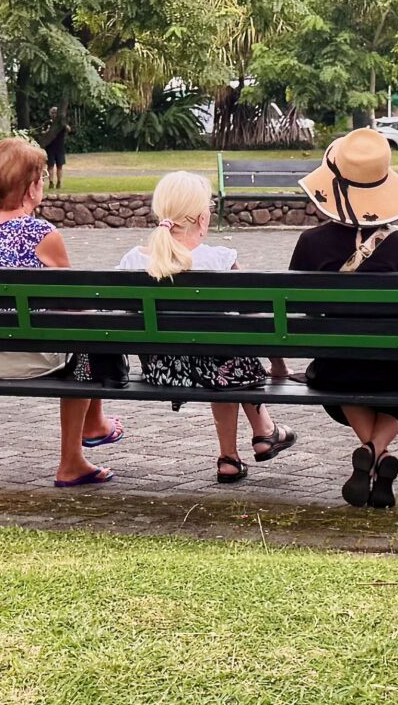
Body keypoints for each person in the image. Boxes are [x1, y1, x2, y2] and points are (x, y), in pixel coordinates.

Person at [0, 136, 122, 487]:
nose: (43, 183)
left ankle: (95, 427)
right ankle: (75, 455)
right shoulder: (41, 234)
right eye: (42, 177)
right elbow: (74, 299)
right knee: (88, 335)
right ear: (31, 189)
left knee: (79, 333)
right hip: (18, 357)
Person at [118, 171, 297, 484]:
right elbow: (256, 319)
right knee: (228, 352)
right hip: (220, 369)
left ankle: (230, 458)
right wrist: (278, 363)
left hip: (162, 371)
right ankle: (264, 430)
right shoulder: (220, 259)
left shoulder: (134, 259)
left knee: (222, 354)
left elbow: (113, 314)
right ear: (203, 218)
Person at [290, 127, 398, 509]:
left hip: (337, 368)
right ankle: (376, 452)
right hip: (395, 368)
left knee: (337, 370)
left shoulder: (310, 244)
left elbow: (297, 308)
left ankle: (370, 453)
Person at [39, 108, 69, 190]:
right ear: (50, 114)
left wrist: (64, 125)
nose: (54, 114)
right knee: (50, 166)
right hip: (50, 147)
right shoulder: (47, 123)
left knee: (60, 166)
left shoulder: (61, 123)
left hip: (60, 147)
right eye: (52, 113)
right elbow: (42, 133)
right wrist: (47, 131)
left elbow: (68, 129)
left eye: (56, 113)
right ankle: (51, 182)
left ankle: (59, 182)